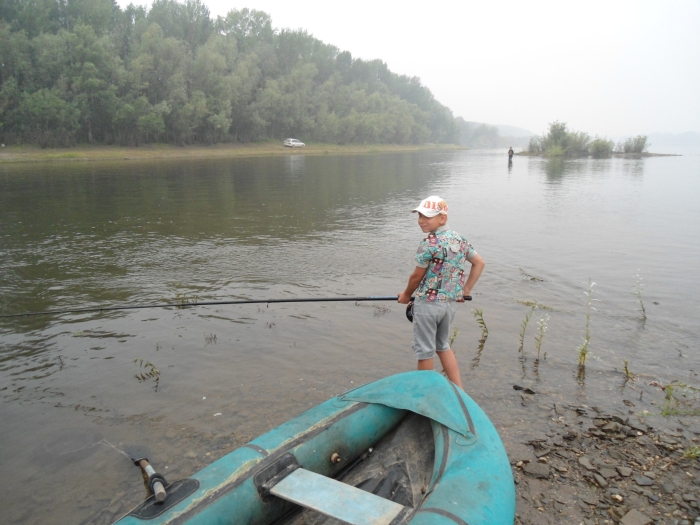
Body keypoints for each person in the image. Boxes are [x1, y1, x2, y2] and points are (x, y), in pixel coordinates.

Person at [398, 196, 485, 388]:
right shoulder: (459, 239)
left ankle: (426, 394)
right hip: (449, 305)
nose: (422, 220)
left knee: (425, 351)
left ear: (442, 218)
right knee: (442, 346)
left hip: (428, 305)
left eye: (428, 216)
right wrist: (465, 290)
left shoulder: (428, 243)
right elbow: (479, 263)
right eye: (420, 215)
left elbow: (415, 278)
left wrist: (405, 295)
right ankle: (459, 391)